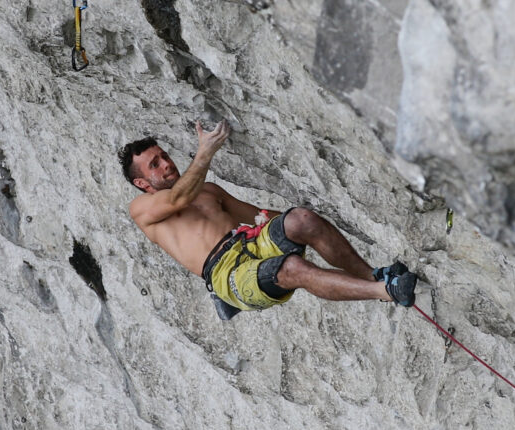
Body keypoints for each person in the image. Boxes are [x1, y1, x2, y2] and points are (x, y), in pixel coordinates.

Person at [119, 120, 417, 320]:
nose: (167, 164)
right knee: (291, 268)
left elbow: (257, 216)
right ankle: (386, 292)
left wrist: (301, 227)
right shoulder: (142, 210)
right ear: (143, 184)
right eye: (155, 165)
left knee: (301, 219)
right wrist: (205, 153)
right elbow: (176, 200)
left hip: (250, 242)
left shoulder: (207, 191)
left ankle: (372, 276)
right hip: (227, 274)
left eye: (164, 156)